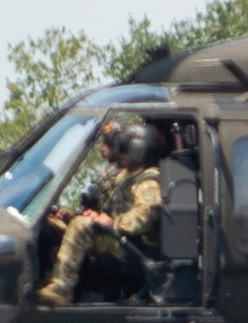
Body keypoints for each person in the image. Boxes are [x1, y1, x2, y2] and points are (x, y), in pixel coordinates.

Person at [37, 115, 167, 305]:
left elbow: (145, 216)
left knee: (81, 226)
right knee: (53, 225)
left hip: (133, 248)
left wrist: (111, 223)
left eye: (125, 149)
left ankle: (61, 289)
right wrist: (71, 217)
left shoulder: (148, 180)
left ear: (137, 151)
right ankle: (47, 283)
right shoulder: (127, 176)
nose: (120, 155)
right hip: (120, 240)